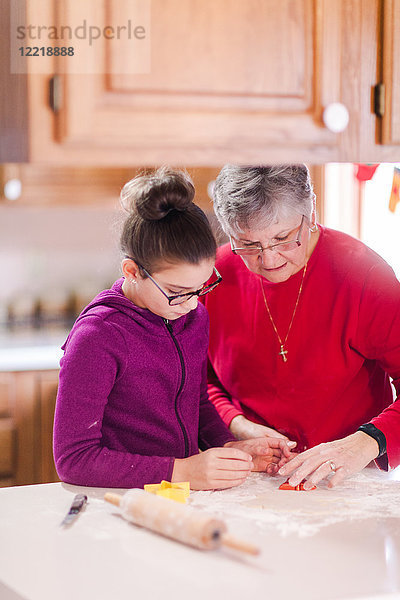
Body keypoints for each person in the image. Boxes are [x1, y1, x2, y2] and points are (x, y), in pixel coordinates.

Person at [53, 167, 293, 490]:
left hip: (172, 497)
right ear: (132, 271)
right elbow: (74, 459)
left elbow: (196, 405)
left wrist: (229, 449)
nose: (193, 305)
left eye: (201, 288)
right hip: (114, 506)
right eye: (177, 292)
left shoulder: (192, 319)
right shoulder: (98, 338)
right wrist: (182, 472)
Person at [204, 164, 400, 490]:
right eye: (248, 245)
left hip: (349, 480)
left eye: (283, 238)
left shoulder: (366, 275)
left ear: (311, 208)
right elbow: (199, 381)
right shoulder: (214, 275)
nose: (269, 260)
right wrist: (239, 425)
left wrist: (365, 443)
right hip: (247, 473)